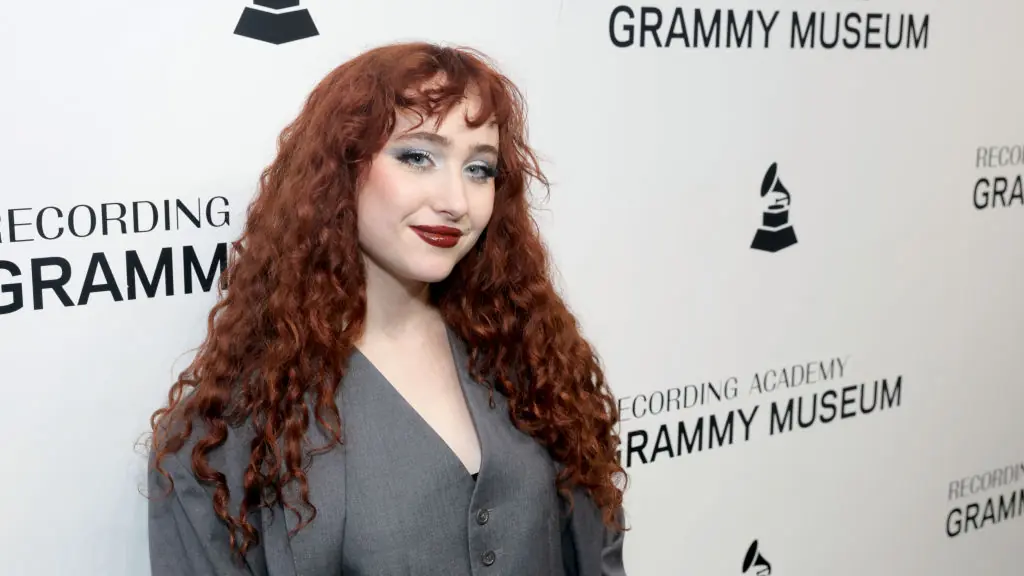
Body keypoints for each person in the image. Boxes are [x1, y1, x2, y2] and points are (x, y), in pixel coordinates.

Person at [146, 41, 628, 576]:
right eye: (418, 157)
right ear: (341, 168)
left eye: (479, 169)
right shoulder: (224, 435)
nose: (456, 201)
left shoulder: (533, 356)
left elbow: (597, 551)